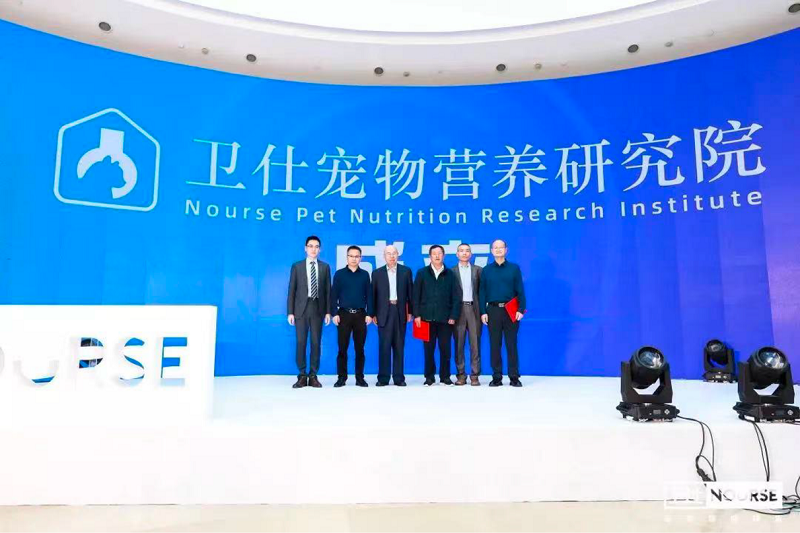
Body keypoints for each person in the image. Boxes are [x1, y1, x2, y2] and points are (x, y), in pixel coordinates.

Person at [479, 239, 526, 387]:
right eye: (495, 247)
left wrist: (521, 309)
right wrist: (483, 311)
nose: (498, 250)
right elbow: (482, 292)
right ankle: (497, 377)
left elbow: (520, 290)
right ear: (491, 251)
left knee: (511, 344)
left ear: (506, 250)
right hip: (493, 310)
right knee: (495, 345)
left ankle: (514, 377)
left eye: (501, 247)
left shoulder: (514, 268)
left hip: (510, 310)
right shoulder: (486, 270)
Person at [413, 244, 462, 386]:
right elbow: (415, 296)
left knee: (445, 349)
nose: (437, 256)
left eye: (439, 253)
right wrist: (417, 315)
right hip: (425, 318)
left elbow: (456, 297)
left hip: (445, 319)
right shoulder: (422, 273)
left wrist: (453, 316)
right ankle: (429, 377)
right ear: (430, 256)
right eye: (434, 253)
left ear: (443, 256)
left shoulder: (450, 274)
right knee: (428, 350)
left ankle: (445, 377)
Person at [287, 235, 331, 389]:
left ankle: (313, 375)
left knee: (316, 342)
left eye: (316, 246)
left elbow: (328, 291)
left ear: (320, 249)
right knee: (301, 342)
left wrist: (328, 312)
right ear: (305, 248)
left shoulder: (325, 267)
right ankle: (302, 375)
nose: (313, 249)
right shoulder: (297, 266)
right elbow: (292, 290)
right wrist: (290, 312)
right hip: (301, 310)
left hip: (318, 309)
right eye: (311, 246)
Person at [371, 245, 414, 387]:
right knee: (384, 346)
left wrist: (410, 311)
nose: (391, 256)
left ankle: (399, 378)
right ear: (384, 256)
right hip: (383, 312)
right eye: (388, 254)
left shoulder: (406, 271)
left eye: (394, 253)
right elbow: (373, 295)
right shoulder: (377, 273)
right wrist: (373, 313)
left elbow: (410, 293)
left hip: (400, 311)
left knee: (399, 345)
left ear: (398, 255)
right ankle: (383, 378)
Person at [331, 245, 373, 387]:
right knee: (342, 349)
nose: (354, 259)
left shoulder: (365, 275)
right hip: (343, 315)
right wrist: (334, 313)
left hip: (361, 315)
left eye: (357, 256)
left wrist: (369, 314)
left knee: (360, 349)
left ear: (360, 258)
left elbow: (369, 296)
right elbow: (333, 295)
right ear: (347, 257)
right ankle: (341, 378)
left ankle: (359, 378)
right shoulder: (339, 274)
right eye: (351, 256)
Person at [451, 243, 482, 386]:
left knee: (475, 344)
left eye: (467, 251)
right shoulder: (451, 272)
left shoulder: (478, 270)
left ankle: (475, 375)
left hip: (474, 309)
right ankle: (461, 375)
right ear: (457, 254)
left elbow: (482, 292)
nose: (464, 253)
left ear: (471, 254)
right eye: (461, 251)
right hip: (458, 311)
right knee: (459, 344)